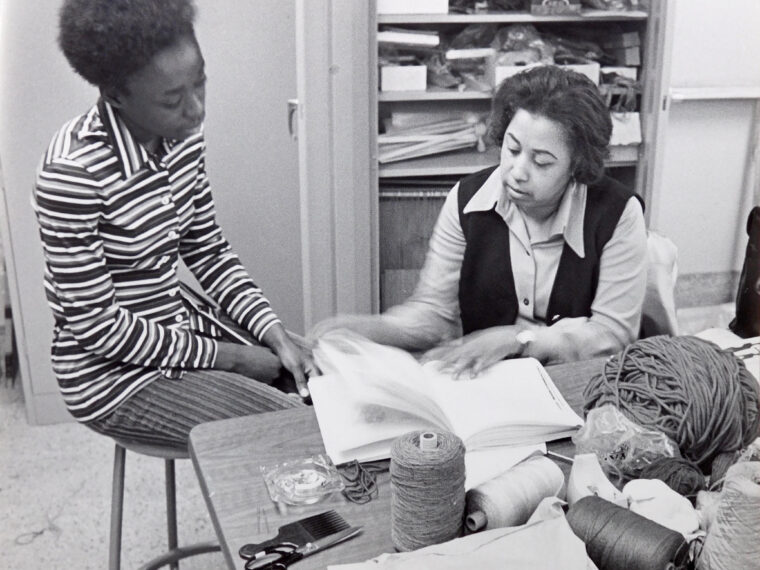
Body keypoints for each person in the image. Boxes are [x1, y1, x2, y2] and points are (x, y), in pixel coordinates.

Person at [32, 0, 312, 447]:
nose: (197, 110)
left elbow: (208, 250)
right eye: (172, 100)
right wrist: (234, 359)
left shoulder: (182, 138)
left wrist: (271, 331)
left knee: (326, 381)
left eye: (200, 83)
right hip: (113, 378)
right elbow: (99, 327)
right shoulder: (72, 175)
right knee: (299, 433)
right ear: (115, 94)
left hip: (178, 330)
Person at [311, 65, 647, 375]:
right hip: (488, 382)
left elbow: (611, 334)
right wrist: (370, 329)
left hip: (577, 382)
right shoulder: (467, 201)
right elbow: (435, 314)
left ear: (577, 167)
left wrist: (521, 339)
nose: (517, 172)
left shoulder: (618, 213)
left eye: (542, 162)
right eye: (512, 150)